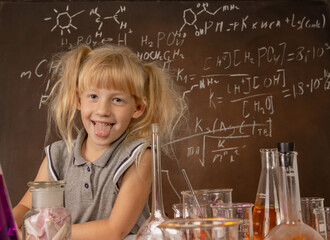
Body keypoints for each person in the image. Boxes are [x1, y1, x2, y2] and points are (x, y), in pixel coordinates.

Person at [13, 44, 185, 240]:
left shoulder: (138, 155)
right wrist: (9, 226)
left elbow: (114, 231)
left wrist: (46, 234)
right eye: (93, 96)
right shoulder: (59, 155)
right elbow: (27, 206)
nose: (103, 109)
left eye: (117, 100)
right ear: (78, 100)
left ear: (137, 108)